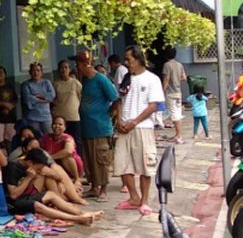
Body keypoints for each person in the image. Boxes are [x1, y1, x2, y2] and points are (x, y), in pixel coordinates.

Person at [113, 46, 164, 215]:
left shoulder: (152, 79)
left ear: (139, 59)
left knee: (144, 166)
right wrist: (119, 120)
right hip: (124, 127)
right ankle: (133, 197)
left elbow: (153, 106)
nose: (126, 63)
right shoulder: (126, 78)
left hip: (142, 127)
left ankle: (144, 200)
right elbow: (119, 100)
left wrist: (134, 122)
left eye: (129, 59)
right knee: (122, 163)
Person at [4, 147, 103, 225]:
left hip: (26, 197)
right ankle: (77, 219)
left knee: (51, 194)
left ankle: (82, 213)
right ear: (29, 162)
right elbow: (13, 195)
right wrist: (28, 178)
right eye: (38, 169)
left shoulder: (30, 167)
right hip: (13, 204)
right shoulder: (13, 168)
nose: (38, 171)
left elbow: (54, 176)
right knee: (38, 206)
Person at [75, 50, 119, 201]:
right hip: (87, 127)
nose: (77, 67)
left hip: (100, 127)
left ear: (83, 64)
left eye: (78, 64)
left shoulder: (100, 79)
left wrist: (109, 114)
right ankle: (94, 187)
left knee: (101, 159)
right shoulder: (86, 80)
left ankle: (103, 190)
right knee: (89, 159)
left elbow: (115, 98)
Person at [40, 116, 85, 186]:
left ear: (64, 127)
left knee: (66, 157)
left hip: (71, 167)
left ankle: (77, 179)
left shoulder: (68, 138)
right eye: (54, 124)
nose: (57, 126)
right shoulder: (46, 137)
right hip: (55, 165)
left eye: (60, 124)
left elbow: (68, 151)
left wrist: (50, 157)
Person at [161, 48, 188, 145]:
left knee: (174, 115)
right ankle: (177, 134)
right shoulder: (179, 65)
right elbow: (184, 77)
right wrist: (176, 80)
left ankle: (179, 135)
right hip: (178, 92)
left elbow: (166, 79)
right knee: (177, 113)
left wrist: (162, 91)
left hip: (170, 93)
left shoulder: (167, 65)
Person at [52, 60, 83, 142]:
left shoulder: (75, 83)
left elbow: (81, 97)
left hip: (74, 116)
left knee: (76, 140)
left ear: (69, 69)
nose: (64, 70)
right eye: (61, 67)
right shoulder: (55, 84)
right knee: (61, 140)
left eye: (66, 67)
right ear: (58, 70)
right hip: (60, 117)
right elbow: (52, 99)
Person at [20, 62, 56, 135]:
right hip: (32, 116)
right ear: (30, 72)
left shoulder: (47, 82)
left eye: (38, 70)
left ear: (41, 72)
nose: (36, 73)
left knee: (49, 137)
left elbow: (52, 96)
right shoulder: (26, 84)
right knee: (35, 138)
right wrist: (44, 99)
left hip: (46, 116)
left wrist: (36, 97)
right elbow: (28, 99)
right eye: (33, 70)